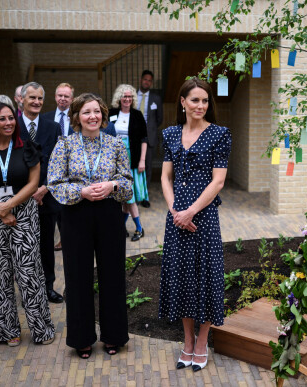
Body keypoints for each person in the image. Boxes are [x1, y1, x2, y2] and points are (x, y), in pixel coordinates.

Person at [47, 93, 133, 359]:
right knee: (78, 277)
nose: (93, 117)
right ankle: (81, 338)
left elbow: (129, 182)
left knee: (113, 275)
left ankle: (114, 336)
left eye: (97, 112)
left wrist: (113, 185)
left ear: (103, 115)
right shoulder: (64, 145)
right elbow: (54, 183)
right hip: (76, 214)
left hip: (109, 214)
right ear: (76, 117)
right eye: (86, 112)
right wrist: (81, 192)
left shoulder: (116, 144)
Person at [0, 102, 55, 346]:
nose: (8, 123)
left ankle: (41, 329)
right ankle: (7, 331)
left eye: (10, 118)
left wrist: (9, 206)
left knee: (29, 273)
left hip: (23, 215)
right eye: (2, 119)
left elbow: (33, 183)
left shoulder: (28, 148)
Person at [159, 77, 231, 372]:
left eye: (205, 101)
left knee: (207, 277)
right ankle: (187, 342)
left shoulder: (219, 134)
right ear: (183, 102)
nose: (201, 105)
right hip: (176, 217)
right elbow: (165, 177)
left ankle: (202, 343)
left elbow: (219, 180)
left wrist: (191, 211)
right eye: (195, 100)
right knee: (182, 279)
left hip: (203, 217)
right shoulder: (170, 134)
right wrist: (176, 211)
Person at [18, 82, 64, 303]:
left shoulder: (53, 127)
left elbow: (58, 163)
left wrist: (44, 188)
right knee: (24, 247)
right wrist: (26, 193)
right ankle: (27, 290)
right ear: (21, 100)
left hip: (46, 198)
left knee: (46, 245)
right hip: (19, 199)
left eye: (39, 99)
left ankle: (48, 287)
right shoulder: (12, 126)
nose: (36, 102)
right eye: (31, 98)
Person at [109, 84, 149, 241]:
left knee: (129, 197)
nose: (127, 99)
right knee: (125, 199)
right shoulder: (111, 113)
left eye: (130, 96)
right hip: (115, 160)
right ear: (119, 98)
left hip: (133, 161)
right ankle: (121, 227)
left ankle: (139, 228)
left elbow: (144, 139)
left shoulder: (138, 115)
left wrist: (142, 160)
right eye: (124, 96)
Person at [42, 82, 75, 252]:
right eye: (60, 95)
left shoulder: (77, 119)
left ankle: (66, 239)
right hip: (51, 171)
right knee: (52, 208)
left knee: (67, 209)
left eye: (66, 96)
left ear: (72, 99)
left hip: (72, 171)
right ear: (55, 97)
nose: (62, 99)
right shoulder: (46, 118)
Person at [137, 70, 163, 203]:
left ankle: (144, 196)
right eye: (145, 79)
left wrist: (150, 129)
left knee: (147, 167)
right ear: (141, 80)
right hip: (134, 138)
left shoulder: (156, 98)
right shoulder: (133, 96)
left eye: (149, 80)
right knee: (134, 167)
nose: (147, 82)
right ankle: (134, 195)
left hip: (149, 138)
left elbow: (159, 119)